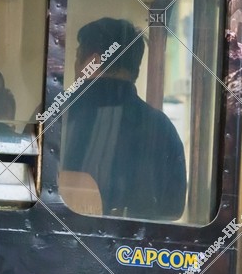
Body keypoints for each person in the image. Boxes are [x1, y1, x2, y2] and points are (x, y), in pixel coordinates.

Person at [60, 17, 187, 221]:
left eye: (77, 58)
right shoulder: (162, 127)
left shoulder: (55, 114)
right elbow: (174, 209)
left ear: (92, 62)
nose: (75, 66)